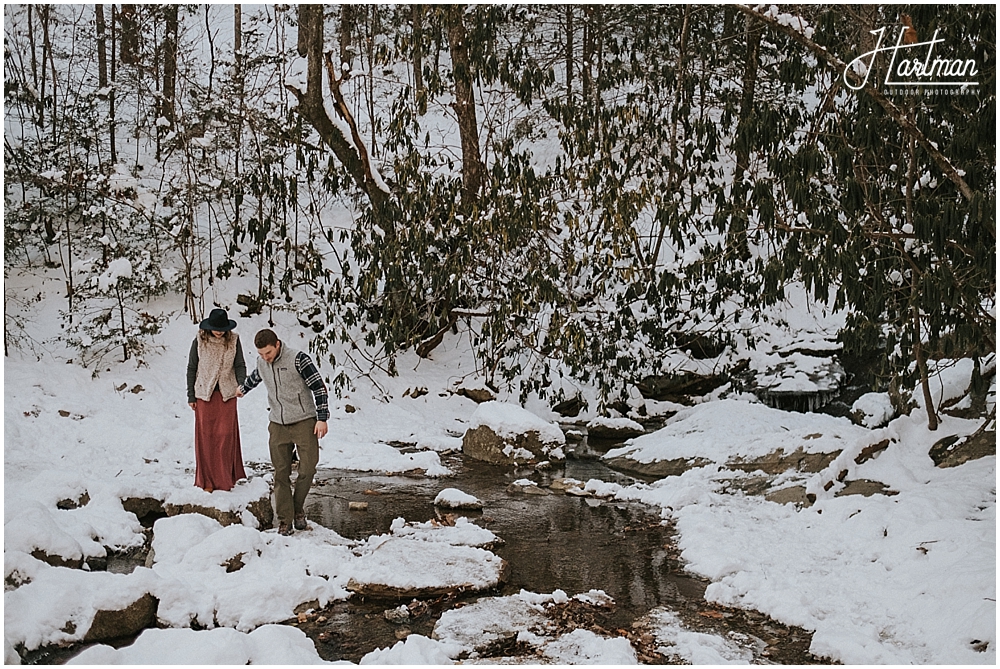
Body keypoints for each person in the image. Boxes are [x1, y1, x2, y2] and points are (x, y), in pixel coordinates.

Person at [238, 328, 329, 536]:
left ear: (277, 344)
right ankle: (285, 520)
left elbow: (319, 387)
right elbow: (256, 376)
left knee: (308, 469)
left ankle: (297, 509)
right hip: (277, 424)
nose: (265, 358)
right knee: (280, 474)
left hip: (304, 421)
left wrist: (322, 418)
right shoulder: (262, 362)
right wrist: (243, 389)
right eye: (260, 354)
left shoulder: (298, 359)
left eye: (268, 353)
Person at [186, 308, 248, 492]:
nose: (219, 332)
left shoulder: (234, 341)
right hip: (204, 394)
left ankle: (225, 479)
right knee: (206, 439)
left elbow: (240, 365)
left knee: (225, 436)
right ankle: (207, 482)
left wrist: (241, 384)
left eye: (222, 329)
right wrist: (191, 395)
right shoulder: (199, 341)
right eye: (216, 328)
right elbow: (191, 368)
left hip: (227, 395)